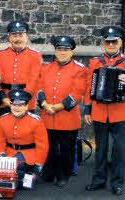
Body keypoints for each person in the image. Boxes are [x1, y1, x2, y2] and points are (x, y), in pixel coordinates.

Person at [36, 36, 86, 188]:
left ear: (72, 52)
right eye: (59, 50)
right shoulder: (45, 68)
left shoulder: (80, 69)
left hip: (67, 117)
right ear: (55, 51)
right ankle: (49, 173)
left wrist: (56, 107)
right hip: (47, 115)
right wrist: (44, 104)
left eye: (66, 50)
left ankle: (64, 175)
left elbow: (77, 93)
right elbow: (39, 88)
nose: (62, 53)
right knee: (48, 146)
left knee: (66, 149)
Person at [84, 26, 125, 196]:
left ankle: (117, 182)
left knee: (119, 150)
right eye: (107, 41)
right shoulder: (95, 62)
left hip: (120, 113)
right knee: (100, 148)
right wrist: (87, 109)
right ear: (103, 42)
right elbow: (89, 86)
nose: (111, 44)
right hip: (100, 112)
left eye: (114, 41)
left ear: (120, 42)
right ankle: (99, 180)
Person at [0, 89, 48, 188]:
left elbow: (43, 146)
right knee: (0, 169)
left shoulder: (36, 121)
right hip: (10, 153)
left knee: (10, 169)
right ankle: (22, 178)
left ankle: (26, 176)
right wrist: (0, 156)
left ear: (26, 106)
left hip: (29, 155)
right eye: (14, 105)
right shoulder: (3, 119)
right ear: (10, 105)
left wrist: (37, 169)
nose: (17, 108)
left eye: (20, 105)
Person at [0, 20, 42, 115]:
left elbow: (34, 80)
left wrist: (21, 101)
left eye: (21, 35)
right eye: (14, 36)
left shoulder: (35, 55)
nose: (17, 39)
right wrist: (3, 99)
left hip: (26, 103)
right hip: (6, 102)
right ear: (9, 37)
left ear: (26, 37)